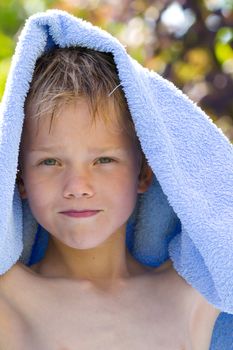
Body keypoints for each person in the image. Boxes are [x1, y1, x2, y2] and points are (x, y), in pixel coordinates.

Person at [0, 45, 220, 350]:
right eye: (50, 162)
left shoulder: (191, 294)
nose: (77, 186)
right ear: (19, 178)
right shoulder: (8, 302)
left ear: (144, 172)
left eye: (104, 160)